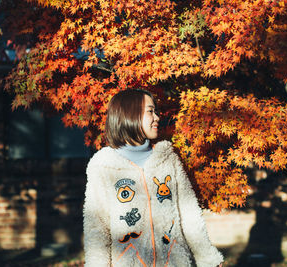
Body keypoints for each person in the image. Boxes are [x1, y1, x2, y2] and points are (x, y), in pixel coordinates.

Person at [83, 89, 224, 267]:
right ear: (130, 115)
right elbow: (96, 228)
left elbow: (189, 214)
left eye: (155, 111)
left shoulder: (167, 158)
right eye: (150, 111)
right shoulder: (103, 166)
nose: (157, 117)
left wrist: (208, 258)